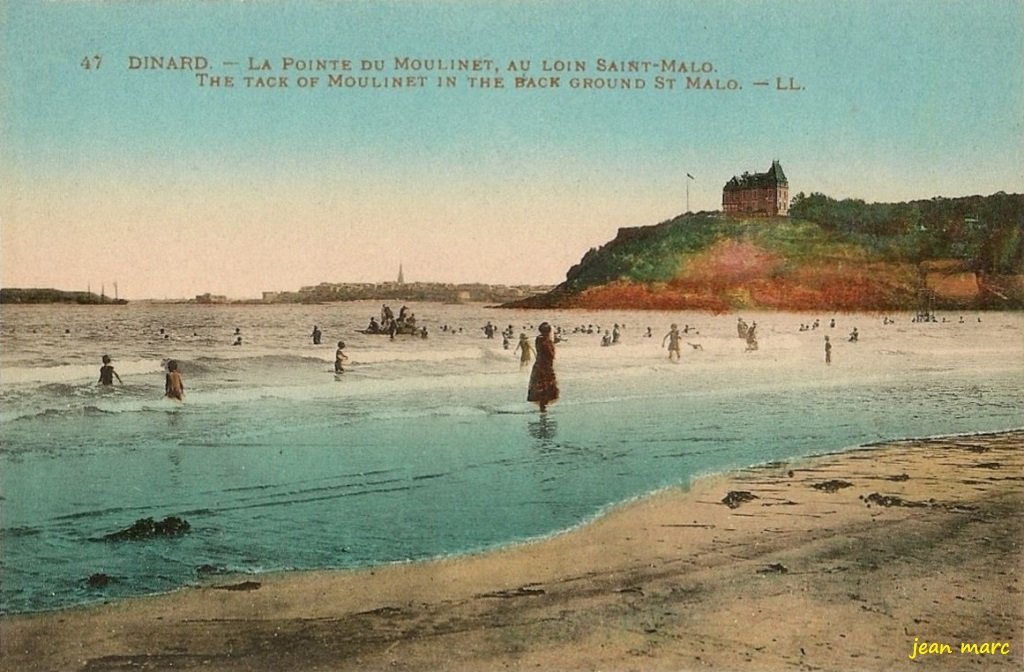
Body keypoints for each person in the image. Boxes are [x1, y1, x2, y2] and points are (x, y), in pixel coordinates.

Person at [527, 322, 558, 412]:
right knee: (546, 387)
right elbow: (550, 355)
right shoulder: (546, 341)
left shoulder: (539, 339)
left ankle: (542, 407)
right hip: (545, 367)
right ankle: (543, 407)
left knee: (541, 387)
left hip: (539, 365)